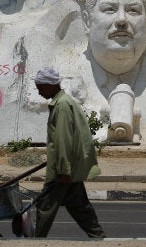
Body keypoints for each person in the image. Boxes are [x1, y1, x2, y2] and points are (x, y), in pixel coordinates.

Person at [33, 67, 106, 238]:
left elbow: (63, 140)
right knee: (79, 206)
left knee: (45, 205)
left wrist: (64, 169)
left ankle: (36, 241)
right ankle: (98, 237)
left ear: (51, 85)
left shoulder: (62, 105)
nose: (39, 92)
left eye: (40, 87)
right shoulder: (65, 102)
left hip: (63, 170)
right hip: (68, 166)